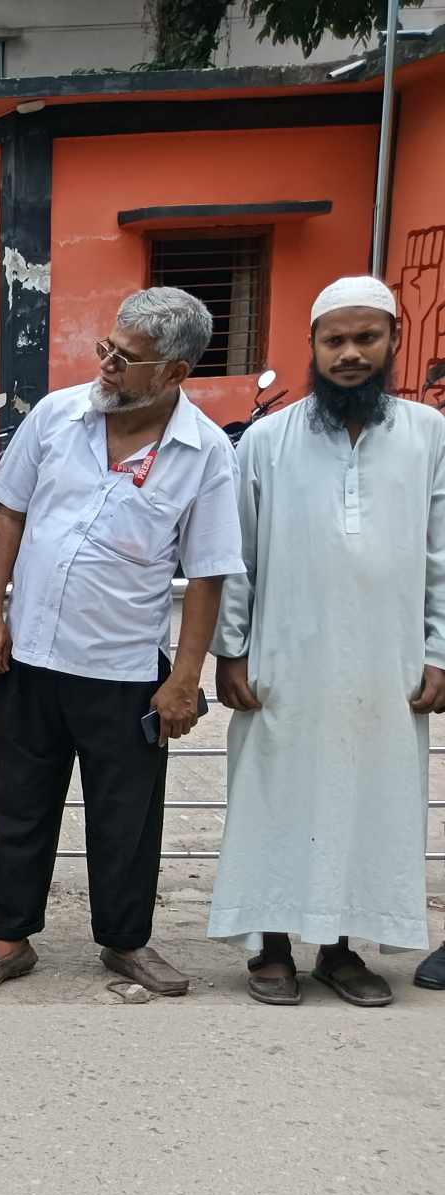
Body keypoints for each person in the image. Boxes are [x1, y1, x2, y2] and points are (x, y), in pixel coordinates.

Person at [0, 287, 243, 997]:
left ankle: (125, 942)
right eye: (107, 347)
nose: (107, 363)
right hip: (31, 659)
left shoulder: (204, 452)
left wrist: (184, 680)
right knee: (18, 808)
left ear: (174, 372)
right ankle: (9, 940)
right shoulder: (56, 416)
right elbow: (8, 515)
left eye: (127, 357)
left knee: (126, 820)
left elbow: (208, 573)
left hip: (125, 670)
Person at [209, 276, 445, 1006]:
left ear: (393, 340)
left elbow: (441, 552)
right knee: (277, 791)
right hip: (286, 655)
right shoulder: (267, 440)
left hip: (386, 660)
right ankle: (273, 947)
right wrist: (231, 649)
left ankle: (341, 951)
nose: (349, 354)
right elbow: (237, 555)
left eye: (365, 338)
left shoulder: (429, 434)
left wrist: (438, 650)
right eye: (334, 340)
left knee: (368, 794)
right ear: (310, 345)